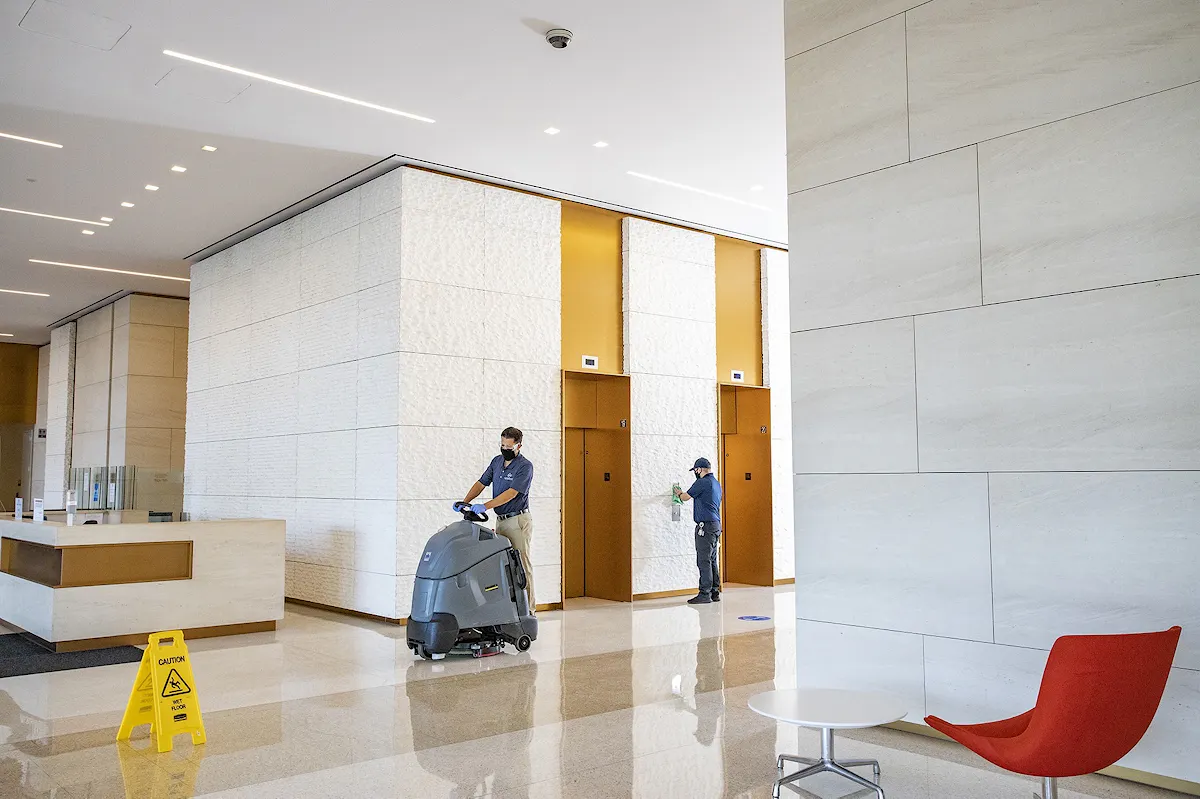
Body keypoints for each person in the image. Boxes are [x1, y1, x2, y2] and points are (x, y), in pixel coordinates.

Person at [459, 426, 537, 609]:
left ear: (519, 446)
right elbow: (481, 483)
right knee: (503, 565)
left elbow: (511, 493)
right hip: (501, 520)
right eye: (502, 445)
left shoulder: (525, 467)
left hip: (517, 521)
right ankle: (509, 608)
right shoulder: (496, 462)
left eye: (509, 447)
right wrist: (465, 502)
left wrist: (484, 506)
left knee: (521, 564)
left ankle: (529, 611)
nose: (505, 450)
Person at [674, 457, 723, 605]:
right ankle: (715, 592)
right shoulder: (716, 483)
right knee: (712, 559)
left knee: (703, 560)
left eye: (695, 470)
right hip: (715, 525)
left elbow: (686, 497)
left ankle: (704, 594)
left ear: (699, 469)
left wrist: (678, 492)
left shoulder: (702, 482)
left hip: (705, 527)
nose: (695, 473)